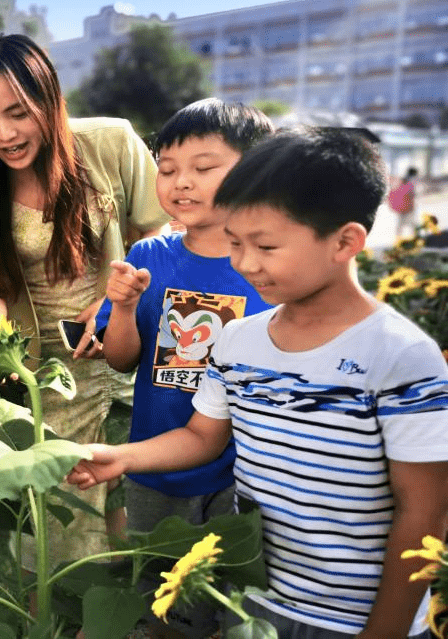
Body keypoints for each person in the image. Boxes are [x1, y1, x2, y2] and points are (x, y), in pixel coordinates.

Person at [69, 127, 448, 639]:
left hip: (356, 620)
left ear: (345, 241)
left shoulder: (401, 357)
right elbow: (203, 437)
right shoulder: (238, 341)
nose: (244, 263)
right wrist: (123, 457)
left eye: (265, 245)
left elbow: (424, 510)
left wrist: (383, 631)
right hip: (253, 601)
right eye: (234, 243)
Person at [0, 33, 169, 567]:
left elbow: (165, 233)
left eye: (17, 112)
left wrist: (114, 301)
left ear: (48, 99)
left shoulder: (109, 142)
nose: (3, 133)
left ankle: (132, 608)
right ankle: (76, 608)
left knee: (140, 486)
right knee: (63, 499)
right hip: (46, 370)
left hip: (131, 340)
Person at [92, 97, 274, 638]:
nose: (181, 183)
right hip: (154, 460)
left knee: (229, 596)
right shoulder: (150, 257)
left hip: (245, 472)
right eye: (167, 169)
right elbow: (120, 359)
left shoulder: (267, 265)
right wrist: (122, 307)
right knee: (160, 597)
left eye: (203, 167)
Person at [389, 166, 419, 240]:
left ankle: (398, 239)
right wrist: (412, 205)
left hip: (401, 206)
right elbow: (411, 194)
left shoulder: (403, 179)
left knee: (401, 224)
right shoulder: (411, 181)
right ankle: (415, 239)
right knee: (412, 224)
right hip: (408, 206)